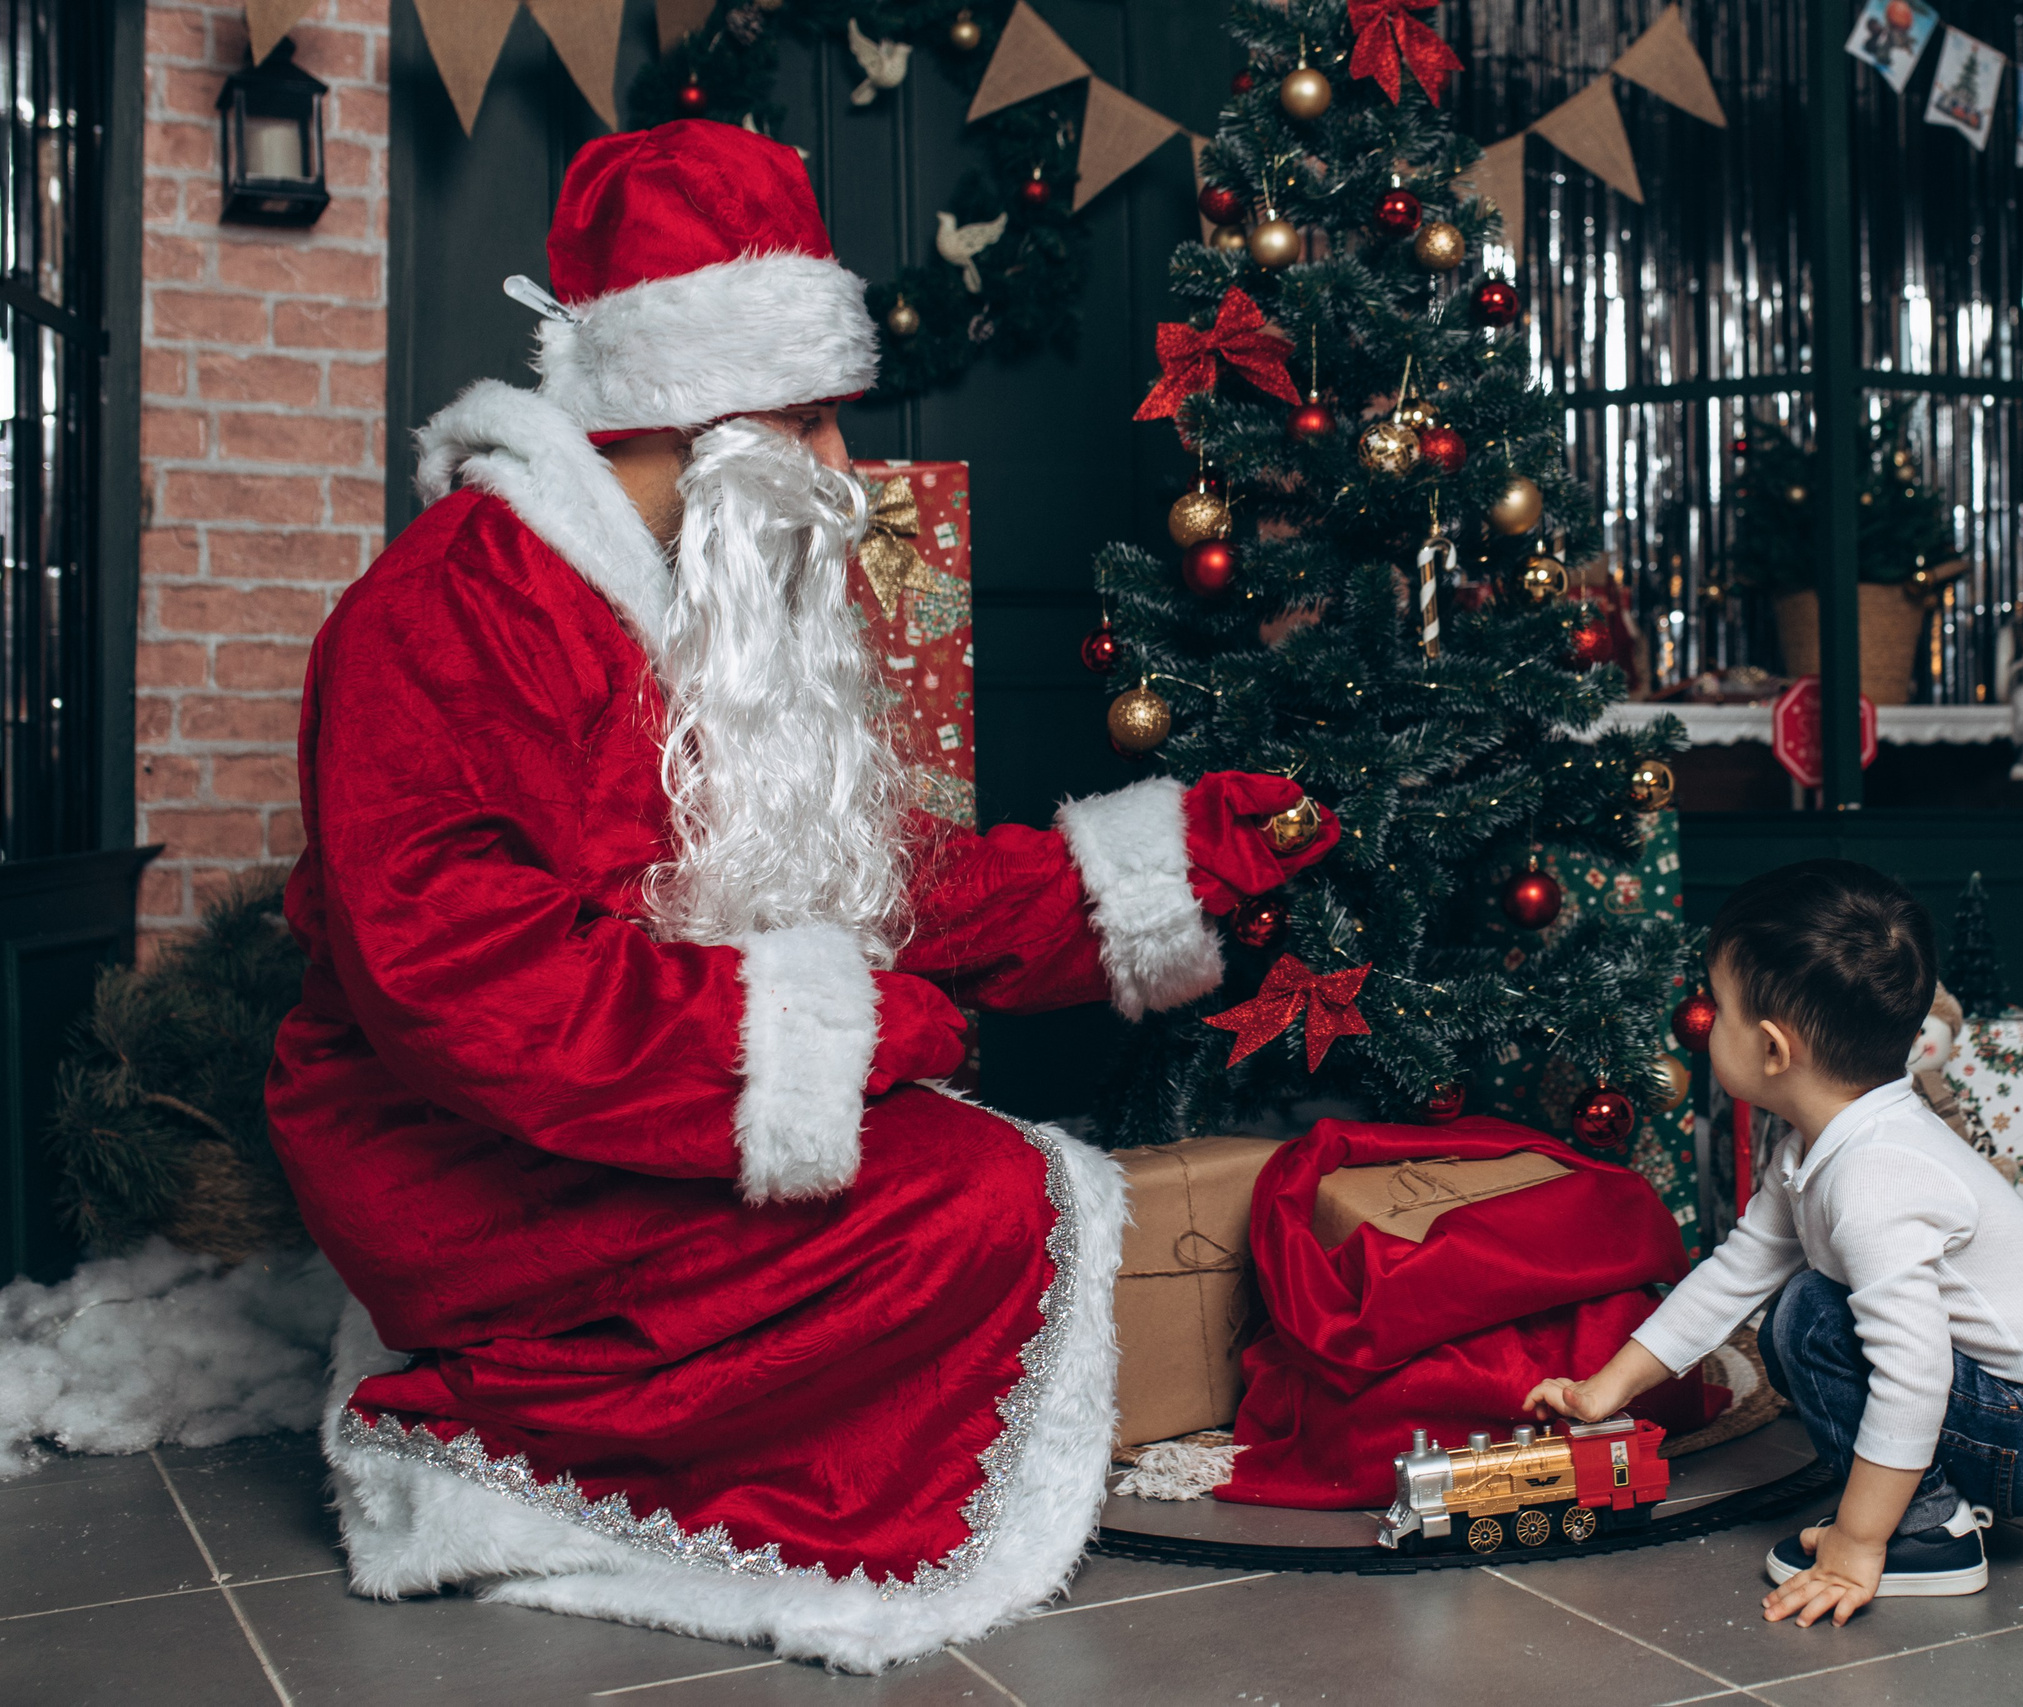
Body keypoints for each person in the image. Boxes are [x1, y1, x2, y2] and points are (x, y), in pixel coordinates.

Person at [264, 121, 1334, 1674]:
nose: (847, 475)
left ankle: (607, 1393)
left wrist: (1184, 862)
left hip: (627, 1103)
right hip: (445, 1142)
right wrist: (824, 1036)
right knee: (977, 1195)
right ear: (687, 416)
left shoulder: (705, 594)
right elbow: (463, 976)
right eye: (814, 423)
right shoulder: (452, 607)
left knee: (976, 1177)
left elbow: (891, 884)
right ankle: (460, 1435)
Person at [1523, 860, 2023, 1627]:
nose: (1702, 1019)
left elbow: (1915, 1367)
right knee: (1797, 1309)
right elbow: (1738, 1268)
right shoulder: (1823, 1137)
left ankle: (1924, 1530)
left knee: (1808, 1316)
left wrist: (1857, 1541)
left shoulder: (1876, 1174)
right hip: (2019, 1412)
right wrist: (1611, 1386)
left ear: (1773, 1049)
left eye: (1717, 1005)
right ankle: (1922, 1500)